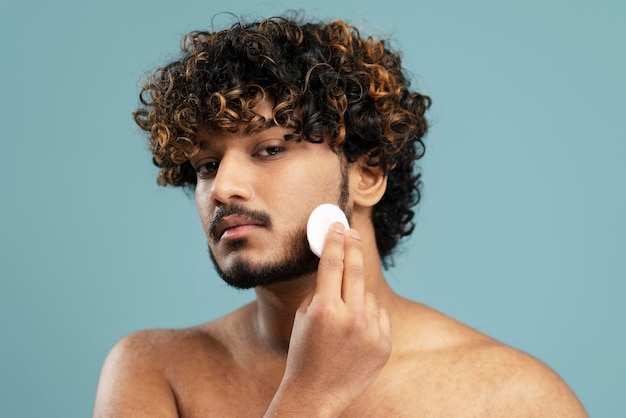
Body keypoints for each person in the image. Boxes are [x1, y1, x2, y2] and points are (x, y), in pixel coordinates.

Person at [93, 13, 587, 417]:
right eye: (206, 164)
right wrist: (309, 397)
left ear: (368, 174)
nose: (222, 187)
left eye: (268, 149)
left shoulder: (514, 399)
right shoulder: (156, 373)